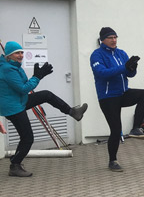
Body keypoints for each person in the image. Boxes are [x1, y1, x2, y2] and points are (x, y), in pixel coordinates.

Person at [0, 41, 88, 177]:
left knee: (46, 94)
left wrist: (37, 76)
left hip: (19, 101)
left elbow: (23, 84)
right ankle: (15, 165)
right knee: (27, 138)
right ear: (9, 55)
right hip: (13, 107)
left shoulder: (14, 66)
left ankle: (72, 112)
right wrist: (38, 77)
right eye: (17, 53)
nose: (21, 55)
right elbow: (24, 89)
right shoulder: (7, 69)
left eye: (22, 52)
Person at [90, 27, 144, 172]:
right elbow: (102, 73)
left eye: (115, 37)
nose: (113, 40)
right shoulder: (97, 55)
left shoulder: (121, 53)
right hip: (108, 97)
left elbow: (130, 74)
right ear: (103, 40)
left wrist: (132, 68)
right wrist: (124, 68)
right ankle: (113, 161)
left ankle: (136, 128)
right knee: (116, 130)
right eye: (110, 38)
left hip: (123, 93)